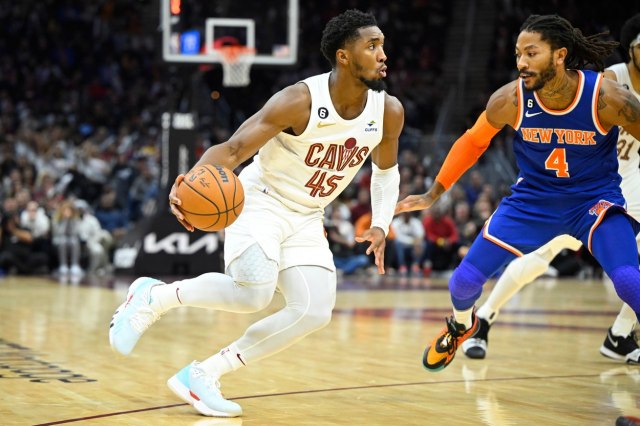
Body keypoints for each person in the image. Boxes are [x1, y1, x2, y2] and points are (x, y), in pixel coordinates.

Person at [109, 9, 403, 417]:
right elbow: (233, 150)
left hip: (308, 214)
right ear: (344, 56)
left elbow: (386, 173)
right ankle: (153, 297)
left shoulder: (388, 111)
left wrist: (381, 224)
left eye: (382, 45)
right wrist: (189, 182)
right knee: (254, 293)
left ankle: (204, 374)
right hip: (262, 199)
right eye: (372, 46)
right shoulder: (300, 100)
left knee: (314, 310)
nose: (383, 54)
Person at [396, 14, 640, 372]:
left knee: (629, 281)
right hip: (532, 202)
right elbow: (473, 141)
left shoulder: (605, 97)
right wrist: (433, 193)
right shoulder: (511, 98)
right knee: (462, 283)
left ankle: (620, 338)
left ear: (560, 55)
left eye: (531, 53)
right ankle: (462, 326)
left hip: (593, 201)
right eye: (517, 54)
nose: (521, 62)